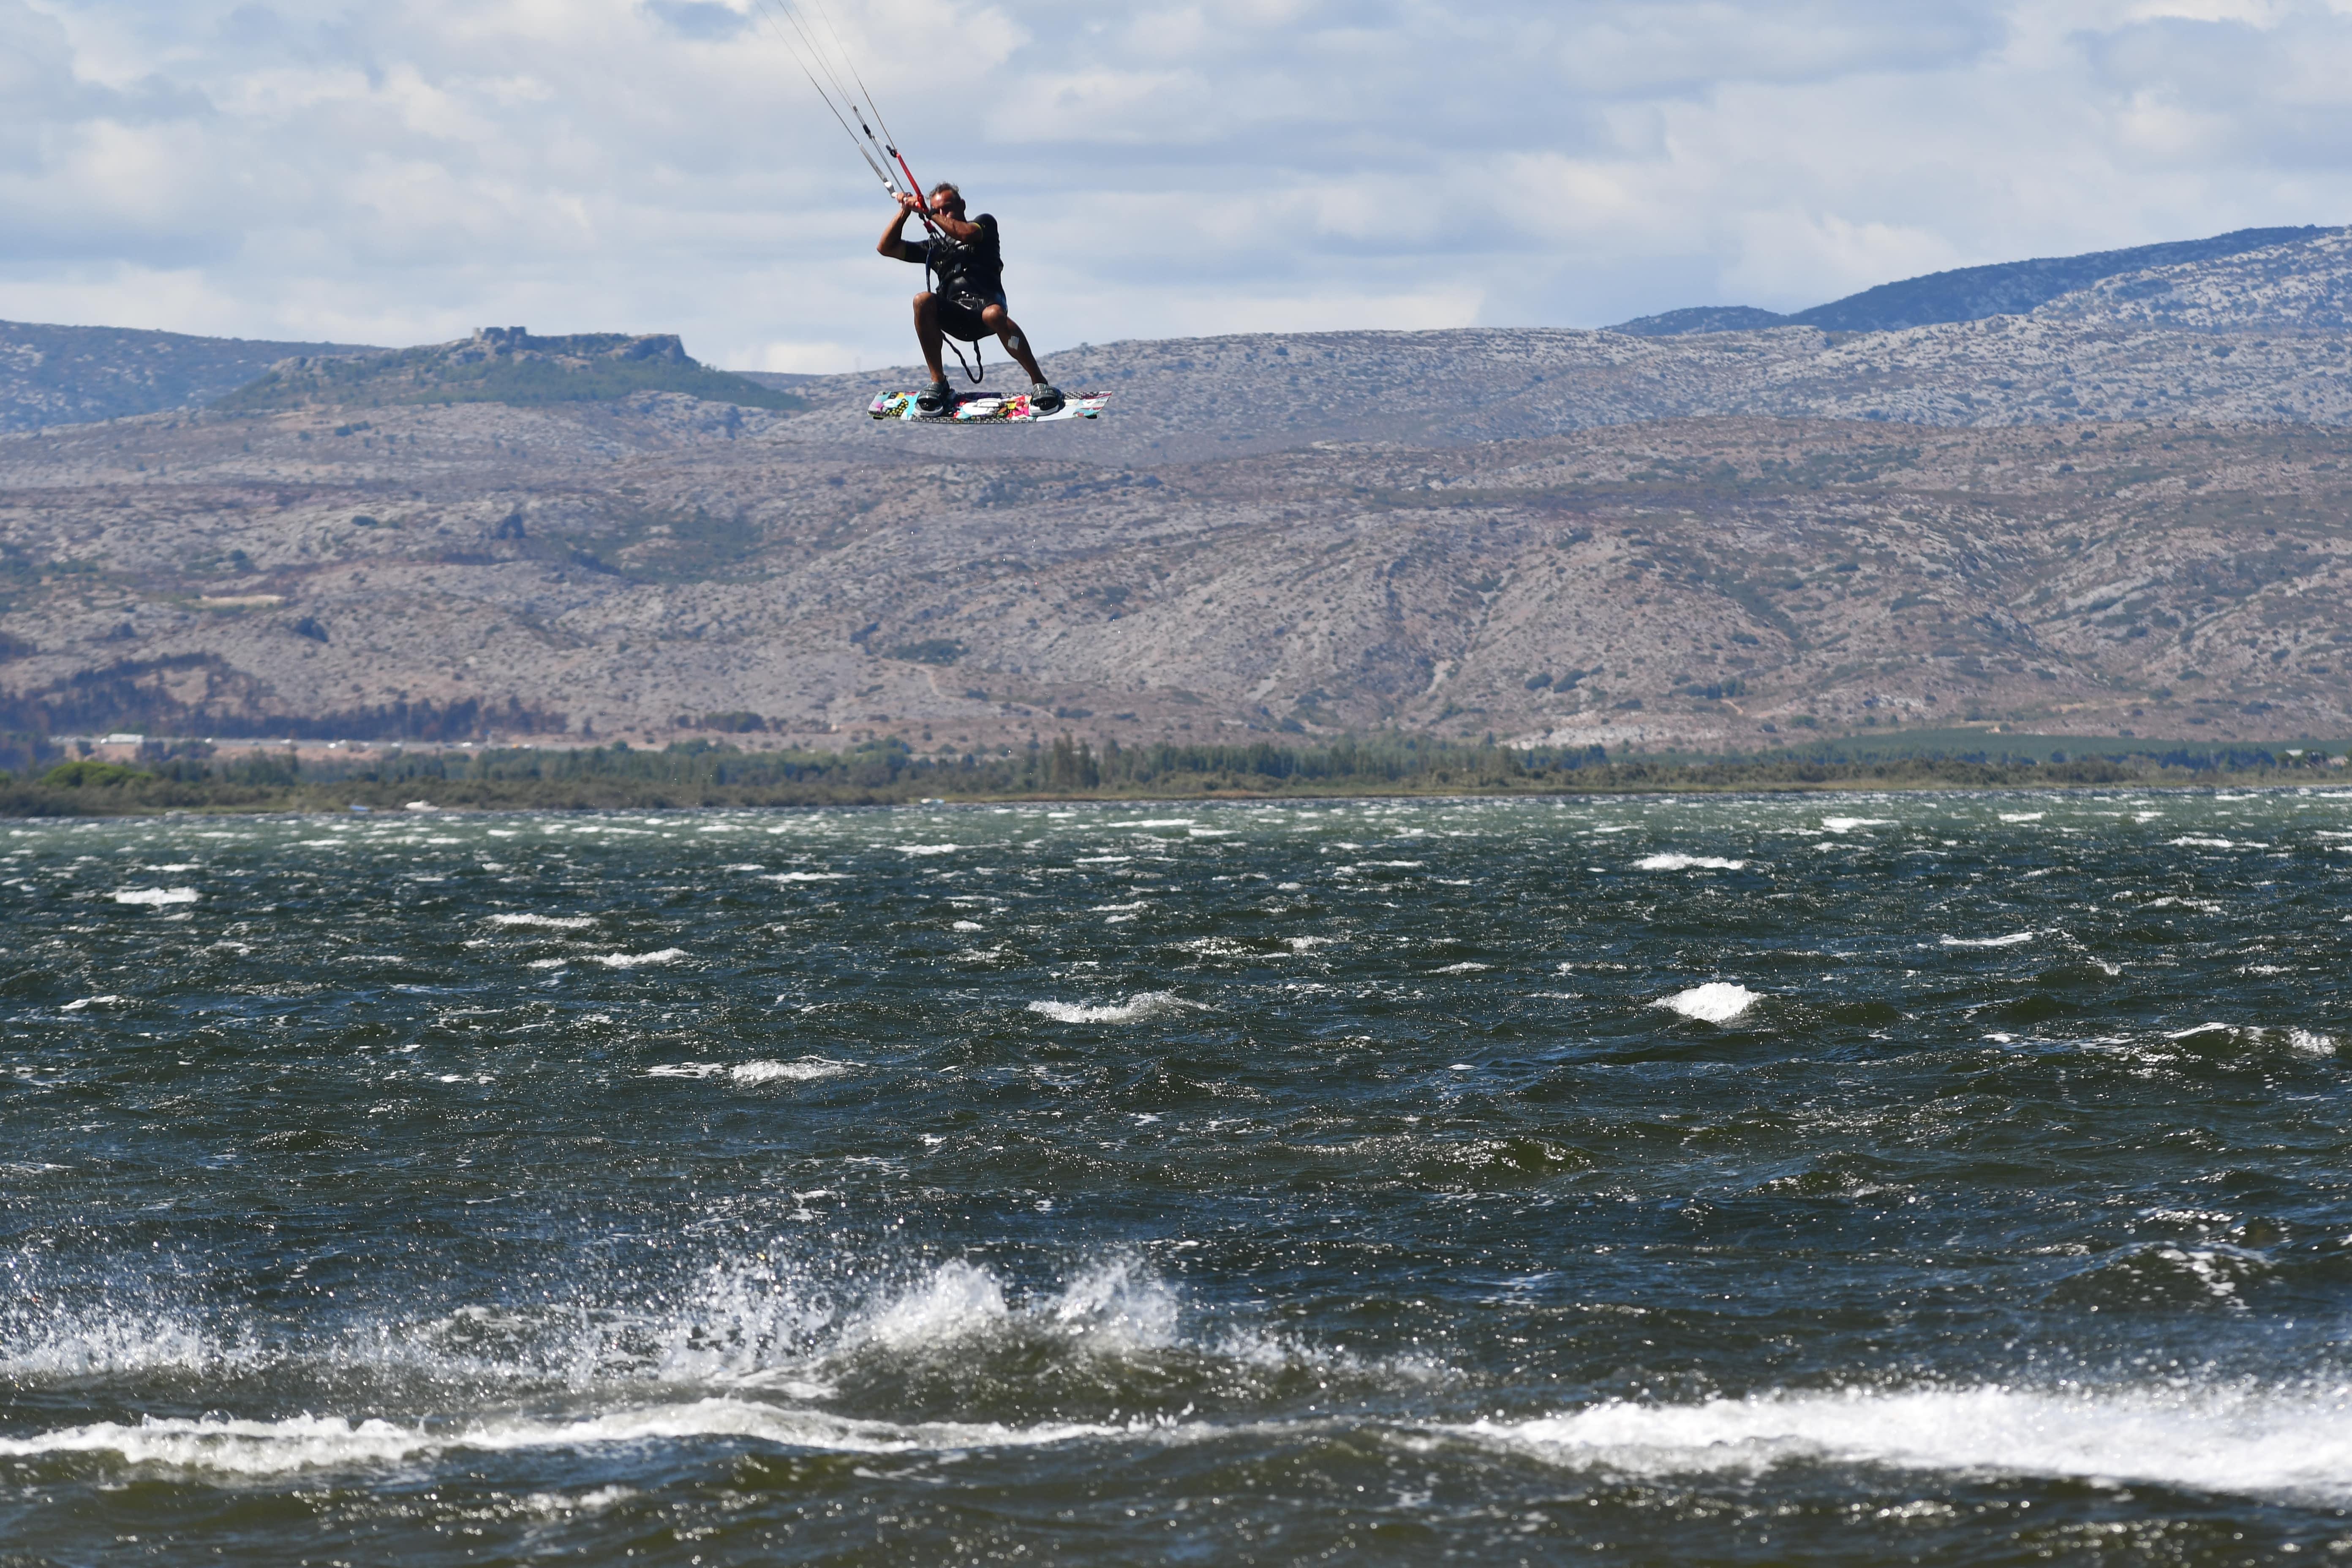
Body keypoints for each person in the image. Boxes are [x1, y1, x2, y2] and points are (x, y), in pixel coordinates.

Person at [877, 183, 1064, 416]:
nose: (943, 214)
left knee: (993, 314)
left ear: (962, 205)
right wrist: (905, 211)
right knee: (922, 301)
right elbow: (886, 248)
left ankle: (1040, 383)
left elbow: (965, 233)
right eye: (939, 210)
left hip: (988, 312)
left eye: (948, 209)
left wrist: (930, 212)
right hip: (956, 316)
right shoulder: (936, 247)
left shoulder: (984, 225)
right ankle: (939, 383)